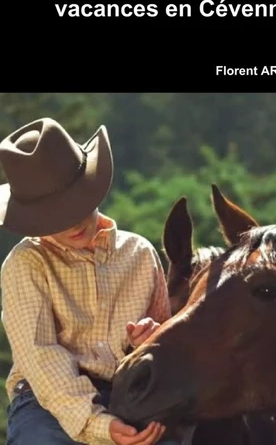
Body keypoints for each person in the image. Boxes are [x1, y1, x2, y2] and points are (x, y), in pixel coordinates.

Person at [0, 117, 180, 445]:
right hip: (45, 403)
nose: (72, 220)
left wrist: (150, 341)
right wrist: (98, 424)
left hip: (131, 395)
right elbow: (41, 358)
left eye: (76, 203)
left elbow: (165, 347)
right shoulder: (26, 264)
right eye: (55, 214)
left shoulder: (140, 254)